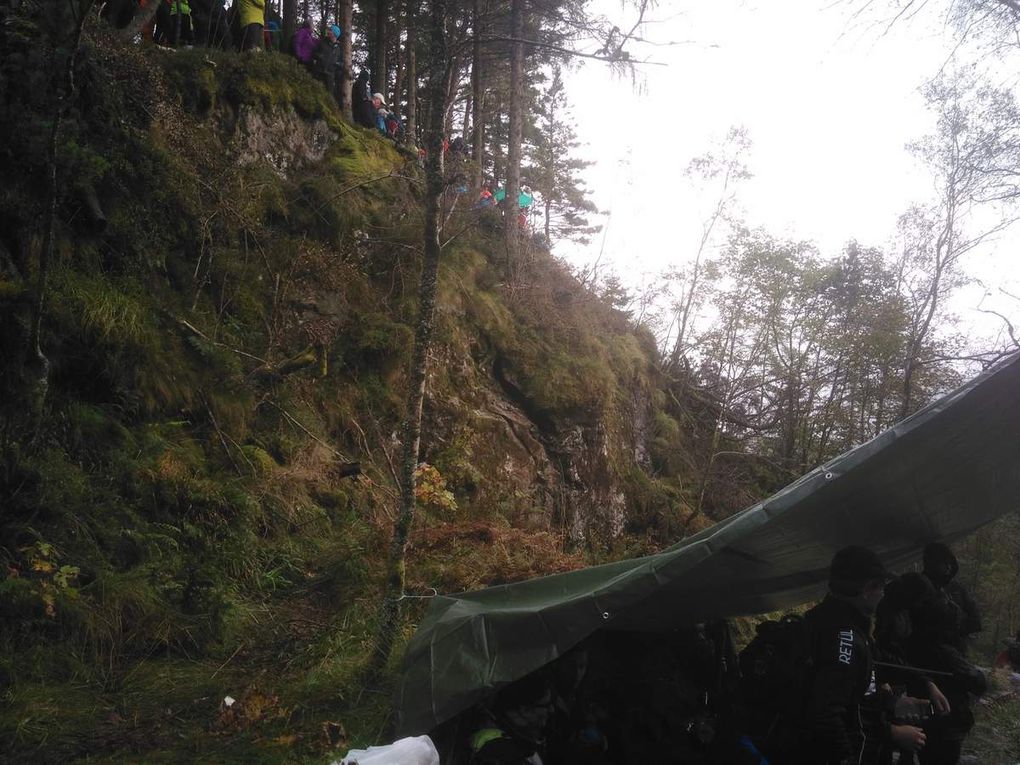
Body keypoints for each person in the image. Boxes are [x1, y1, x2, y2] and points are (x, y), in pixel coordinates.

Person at [801, 546, 928, 765]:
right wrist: (891, 733)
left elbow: (859, 686)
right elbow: (829, 714)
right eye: (881, 587)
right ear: (868, 589)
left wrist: (898, 698)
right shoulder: (845, 638)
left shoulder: (831, 620)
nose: (883, 594)